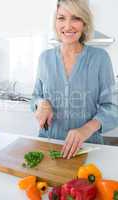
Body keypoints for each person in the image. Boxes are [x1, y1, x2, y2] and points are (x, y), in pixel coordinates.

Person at [31, 0, 118, 159]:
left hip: (87, 147)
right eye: (61, 18)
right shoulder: (45, 58)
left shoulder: (100, 58)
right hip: (49, 144)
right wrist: (41, 103)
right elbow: (35, 97)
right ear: (55, 22)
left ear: (84, 23)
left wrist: (87, 129)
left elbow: (112, 107)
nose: (68, 25)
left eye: (76, 18)